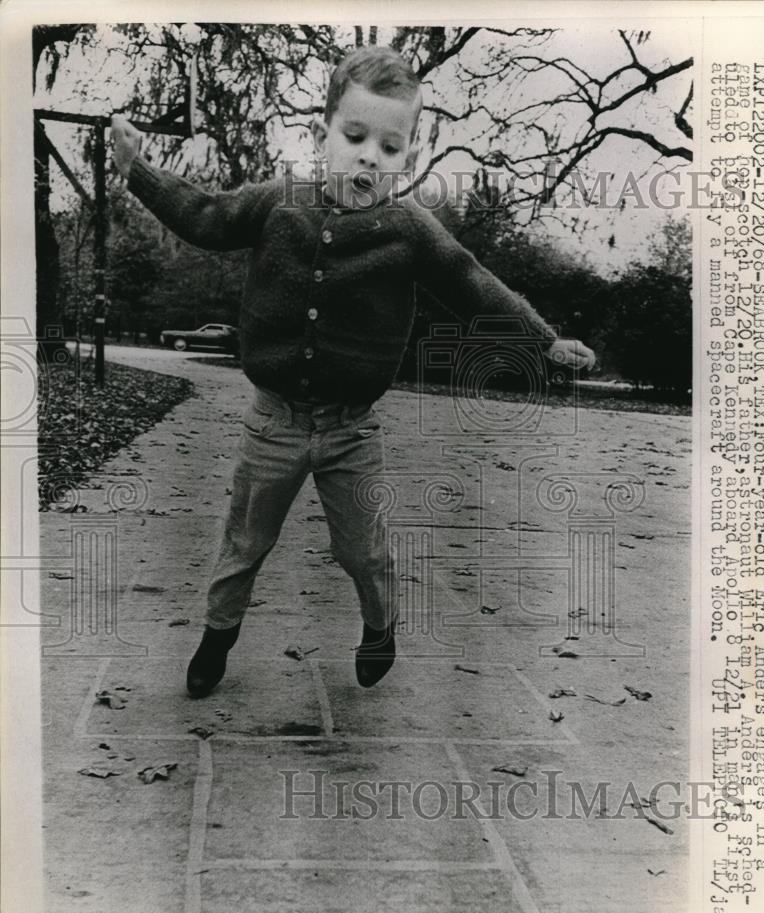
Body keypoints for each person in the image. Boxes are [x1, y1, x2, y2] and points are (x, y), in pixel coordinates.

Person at [111, 45, 595, 698]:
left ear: (408, 159)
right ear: (322, 136)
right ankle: (217, 635)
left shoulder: (409, 230)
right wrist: (137, 170)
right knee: (244, 544)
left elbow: (471, 282)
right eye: (356, 136)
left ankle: (380, 625)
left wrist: (542, 342)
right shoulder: (276, 204)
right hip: (271, 424)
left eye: (389, 147)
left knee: (363, 551)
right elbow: (204, 215)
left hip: (350, 433)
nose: (370, 156)